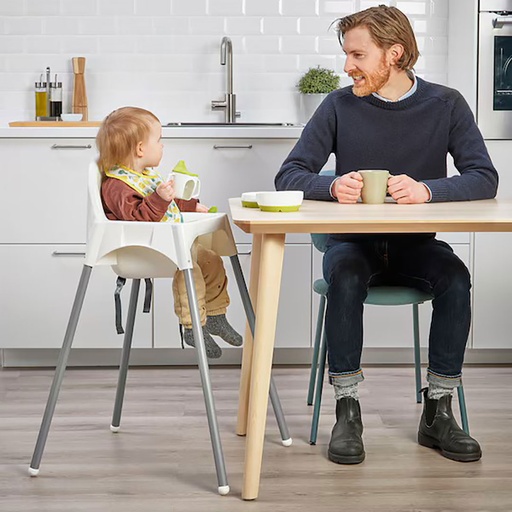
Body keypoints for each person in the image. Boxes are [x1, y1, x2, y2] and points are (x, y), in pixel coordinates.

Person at [276, 6, 498, 464]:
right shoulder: (338, 105)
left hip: (417, 246)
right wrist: (331, 186)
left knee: (455, 279)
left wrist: (428, 191)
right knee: (347, 278)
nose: (347, 66)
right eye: (346, 55)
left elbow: (484, 177)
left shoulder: (446, 104)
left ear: (393, 54)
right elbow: (290, 175)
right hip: (351, 246)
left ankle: (438, 411)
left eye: (358, 54)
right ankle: (347, 410)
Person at [97, 106, 242, 359]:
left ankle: (216, 316)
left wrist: (191, 206)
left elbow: (166, 205)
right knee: (192, 269)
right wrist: (160, 198)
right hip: (144, 249)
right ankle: (193, 326)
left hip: (169, 243)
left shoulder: (142, 176)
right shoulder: (117, 185)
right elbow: (137, 218)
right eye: (159, 139)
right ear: (141, 149)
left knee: (211, 260)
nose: (163, 145)